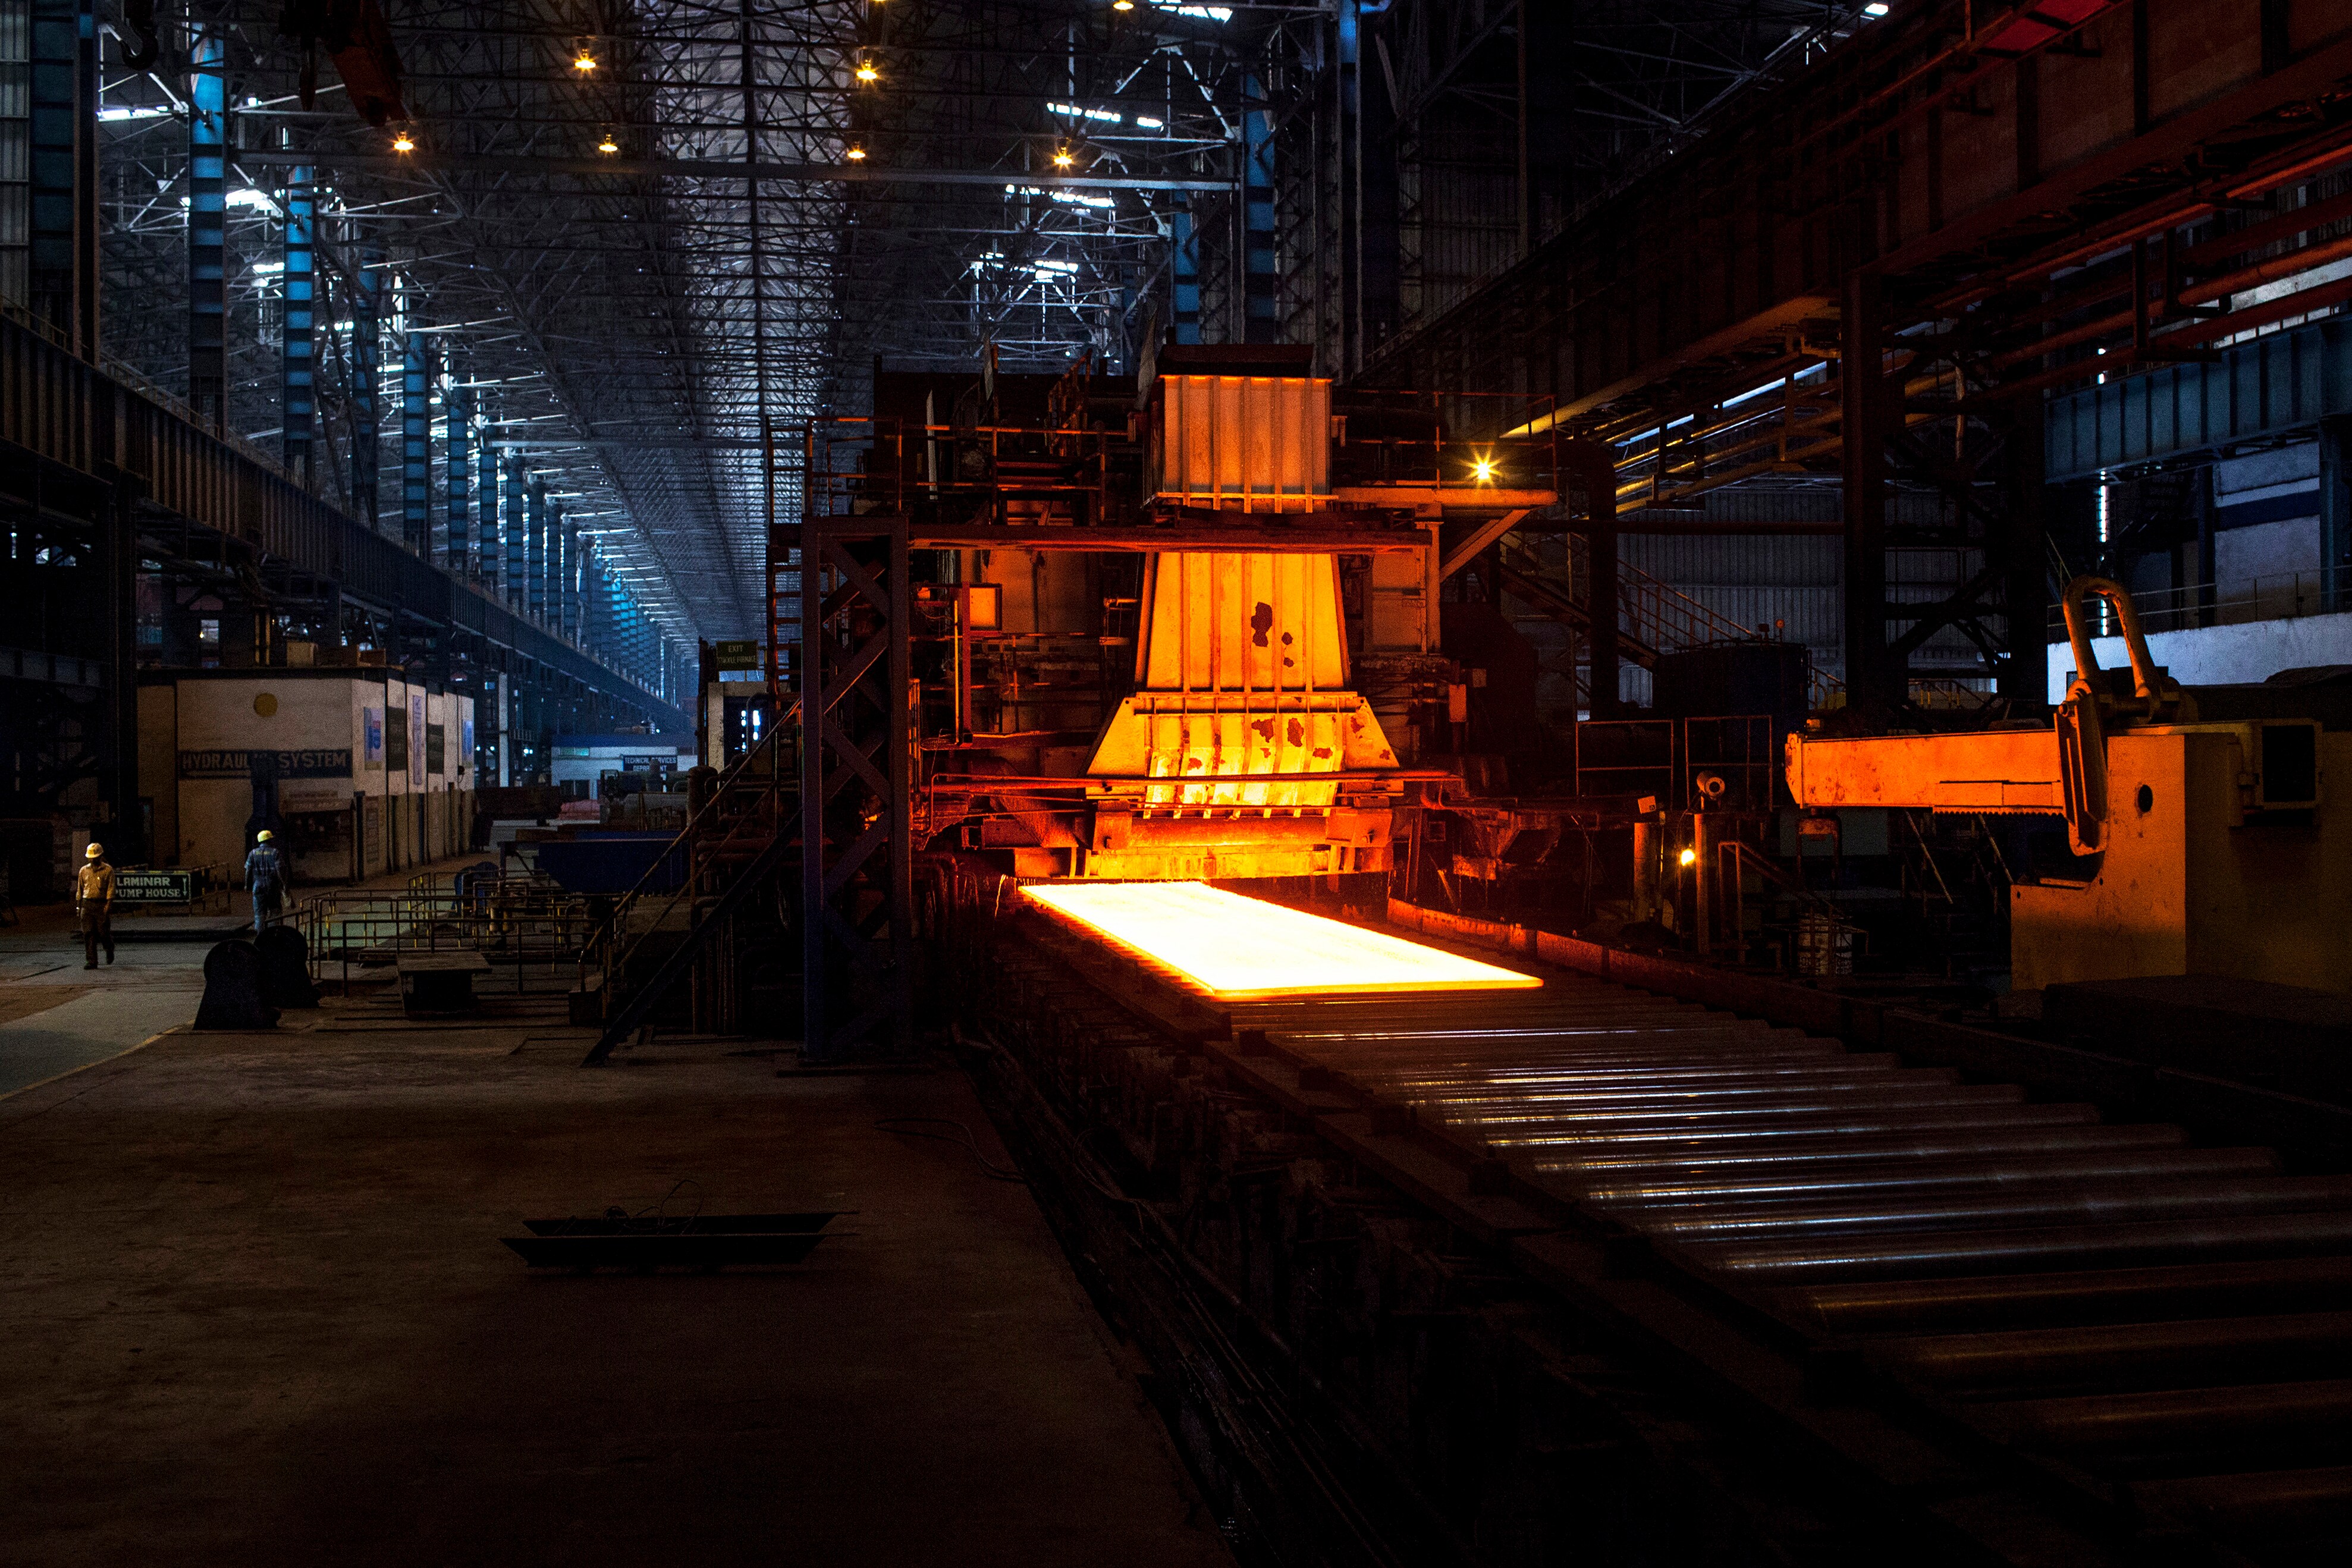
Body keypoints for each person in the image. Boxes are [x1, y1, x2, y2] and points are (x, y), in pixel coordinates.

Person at [76, 843, 115, 969]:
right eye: (91, 858)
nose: (93, 860)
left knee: (103, 932)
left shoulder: (108, 870)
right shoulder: (84, 871)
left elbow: (111, 888)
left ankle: (109, 948)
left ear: (100, 856)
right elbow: (80, 889)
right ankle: (92, 961)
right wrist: (79, 907)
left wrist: (108, 904)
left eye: (96, 858)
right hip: (87, 904)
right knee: (88, 933)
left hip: (101, 904)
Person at [245, 828, 288, 936]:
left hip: (257, 886)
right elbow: (280, 870)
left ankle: (260, 938)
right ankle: (273, 937)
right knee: (275, 913)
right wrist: (284, 885)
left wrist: (247, 885)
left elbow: (248, 871)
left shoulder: (252, 853)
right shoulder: (275, 853)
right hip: (272, 886)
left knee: (259, 915)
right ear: (270, 840)